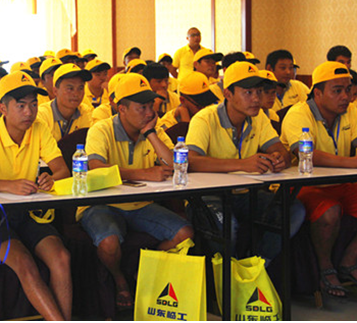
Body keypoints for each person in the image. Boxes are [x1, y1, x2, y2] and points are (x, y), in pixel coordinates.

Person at [82, 73, 194, 308]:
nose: (149, 112)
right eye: (141, 107)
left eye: (151, 106)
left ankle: (140, 269)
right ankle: (120, 279)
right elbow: (95, 167)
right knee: (109, 242)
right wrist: (142, 173)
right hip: (101, 204)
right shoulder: (101, 129)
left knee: (185, 233)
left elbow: (176, 165)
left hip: (141, 205)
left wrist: (151, 134)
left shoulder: (154, 128)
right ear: (121, 108)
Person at [0, 71, 72, 320]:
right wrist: (7, 186)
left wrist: (50, 179)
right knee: (25, 264)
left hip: (28, 211)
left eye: (34, 104)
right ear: (3, 107)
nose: (29, 112)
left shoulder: (39, 128)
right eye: (21, 105)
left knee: (61, 257)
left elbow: (62, 170)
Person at [186, 61, 305, 264]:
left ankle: (256, 266)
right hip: (207, 196)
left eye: (259, 92)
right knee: (227, 229)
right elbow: (190, 162)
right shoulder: (205, 119)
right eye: (248, 93)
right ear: (228, 94)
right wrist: (242, 164)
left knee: (294, 210)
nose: (256, 99)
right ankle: (228, 279)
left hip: (246, 194)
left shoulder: (258, 119)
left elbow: (281, 151)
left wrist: (279, 160)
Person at [280, 61, 357, 298]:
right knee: (330, 212)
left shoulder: (351, 112)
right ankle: (325, 267)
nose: (345, 96)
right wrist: (352, 163)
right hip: (304, 185)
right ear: (318, 93)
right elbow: (307, 154)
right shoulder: (298, 113)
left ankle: (349, 259)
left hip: (342, 182)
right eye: (337, 91)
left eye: (348, 90)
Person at [37, 63, 93, 141]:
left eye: (80, 88)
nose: (76, 94)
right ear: (55, 91)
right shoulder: (42, 115)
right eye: (70, 88)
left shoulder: (84, 111)